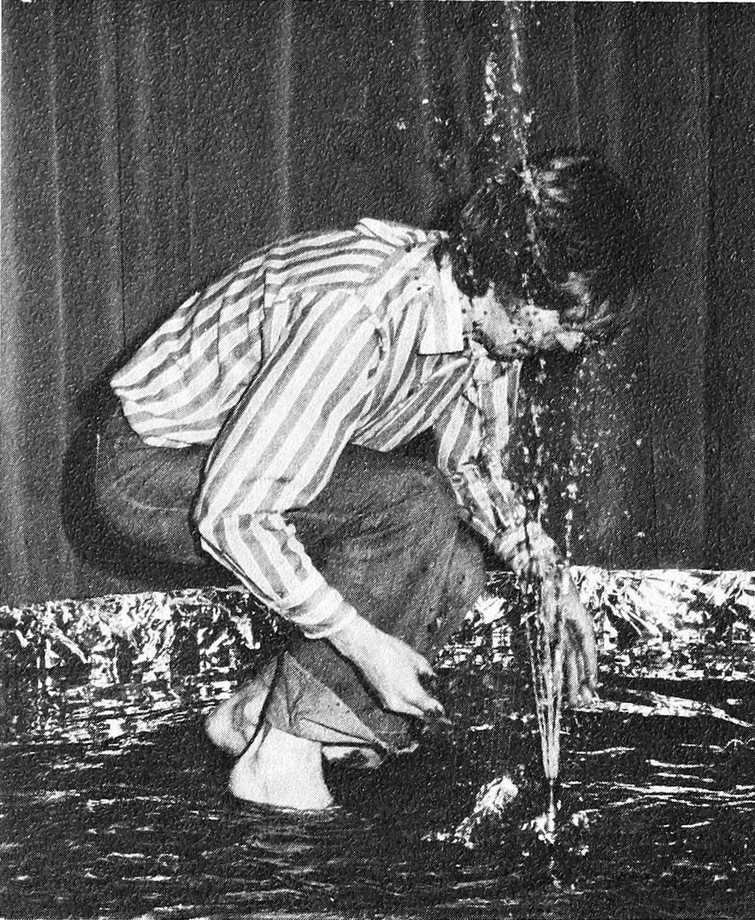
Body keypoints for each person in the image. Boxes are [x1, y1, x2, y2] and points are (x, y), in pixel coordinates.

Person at [96, 152, 646, 810]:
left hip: (238, 473)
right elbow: (233, 513)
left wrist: (547, 573)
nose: (568, 346)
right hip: (149, 471)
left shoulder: (488, 324)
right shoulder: (362, 311)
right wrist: (364, 647)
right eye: (564, 322)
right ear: (510, 275)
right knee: (415, 505)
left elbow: (471, 467)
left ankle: (253, 714)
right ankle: (279, 759)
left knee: (456, 566)